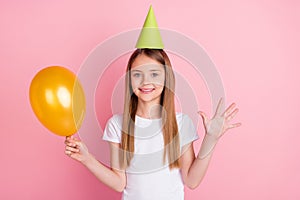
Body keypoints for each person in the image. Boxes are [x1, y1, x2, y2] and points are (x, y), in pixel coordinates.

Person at [64, 6, 241, 200]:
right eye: (137, 74)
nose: (146, 81)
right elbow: (119, 183)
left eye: (154, 74)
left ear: (166, 79)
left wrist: (211, 139)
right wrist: (87, 159)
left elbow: (192, 180)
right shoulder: (117, 125)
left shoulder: (181, 124)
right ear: (129, 80)